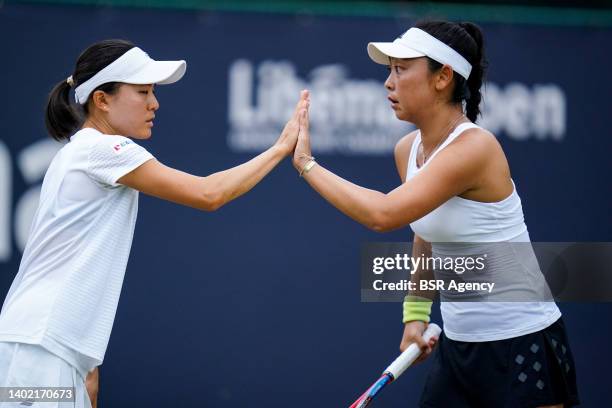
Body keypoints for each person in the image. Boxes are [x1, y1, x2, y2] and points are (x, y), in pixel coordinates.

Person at [0, 39, 308, 407]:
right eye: (142, 91)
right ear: (102, 99)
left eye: (153, 92)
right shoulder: (102, 150)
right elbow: (209, 194)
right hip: (39, 352)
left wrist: (88, 364)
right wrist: (279, 148)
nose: (154, 103)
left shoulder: (80, 150)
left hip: (43, 348)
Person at [292, 21, 579, 407]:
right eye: (389, 70)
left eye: (401, 69)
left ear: (443, 77)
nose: (388, 83)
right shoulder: (407, 150)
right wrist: (415, 312)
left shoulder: (474, 149)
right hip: (458, 351)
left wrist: (307, 163)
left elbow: (383, 214)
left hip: (521, 347)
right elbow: (425, 233)